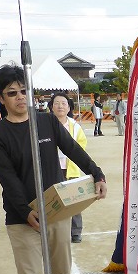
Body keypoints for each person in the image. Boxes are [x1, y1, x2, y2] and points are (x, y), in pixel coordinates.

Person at [0, 65, 107, 274]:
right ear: (1, 99)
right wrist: (25, 211)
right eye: (12, 93)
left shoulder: (47, 121)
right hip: (22, 217)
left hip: (57, 209)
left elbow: (72, 149)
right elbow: (7, 177)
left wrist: (97, 174)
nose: (20, 97)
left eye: (24, 90)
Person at [50, 93, 88, 243]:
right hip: (52, 168)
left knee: (75, 201)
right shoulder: (45, 125)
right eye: (56, 103)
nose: (60, 106)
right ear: (51, 107)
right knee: (55, 201)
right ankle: (57, 231)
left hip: (70, 167)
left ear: (69, 107)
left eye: (63, 103)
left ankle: (76, 232)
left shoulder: (75, 126)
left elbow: (81, 145)